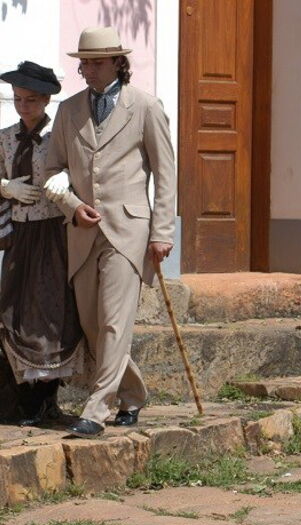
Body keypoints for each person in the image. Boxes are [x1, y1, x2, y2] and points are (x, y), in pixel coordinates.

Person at [44, 26, 176, 438]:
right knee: (93, 325)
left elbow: (165, 174)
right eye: (84, 62)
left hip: (130, 229)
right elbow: (50, 171)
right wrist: (70, 205)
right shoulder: (68, 111)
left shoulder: (146, 106)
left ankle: (96, 411)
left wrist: (163, 230)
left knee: (116, 322)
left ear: (119, 62)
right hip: (82, 232)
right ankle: (132, 394)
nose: (88, 69)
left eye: (97, 62)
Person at [0, 61, 84, 426]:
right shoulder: (3, 137)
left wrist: (65, 177)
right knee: (13, 313)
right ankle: (16, 403)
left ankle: (44, 402)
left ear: (47, 99)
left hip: (54, 235)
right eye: (18, 99)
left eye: (31, 99)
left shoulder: (59, 136)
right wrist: (5, 187)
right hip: (19, 237)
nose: (23, 106)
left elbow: (82, 170)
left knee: (51, 316)